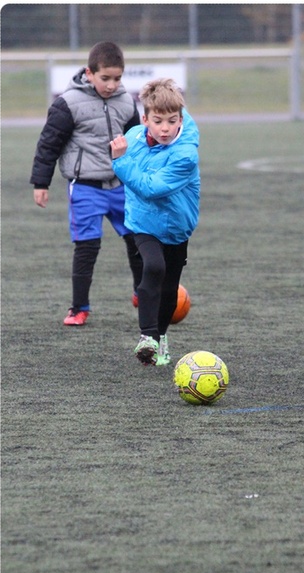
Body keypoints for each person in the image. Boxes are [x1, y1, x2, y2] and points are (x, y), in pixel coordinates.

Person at [30, 41, 143, 326]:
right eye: (105, 78)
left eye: (117, 78)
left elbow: (138, 142)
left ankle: (143, 293)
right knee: (87, 247)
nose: (111, 84)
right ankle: (79, 307)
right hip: (85, 187)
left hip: (121, 185)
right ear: (89, 73)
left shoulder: (127, 102)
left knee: (139, 240)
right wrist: (41, 183)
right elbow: (48, 144)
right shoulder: (68, 103)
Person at [109, 78, 200, 366]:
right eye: (157, 121)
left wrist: (120, 162)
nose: (164, 128)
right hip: (143, 222)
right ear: (145, 118)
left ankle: (160, 337)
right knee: (153, 266)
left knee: (170, 289)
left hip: (176, 228)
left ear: (180, 119)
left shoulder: (185, 155)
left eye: (171, 121)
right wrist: (121, 155)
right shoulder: (135, 136)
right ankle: (147, 337)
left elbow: (151, 188)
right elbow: (135, 177)